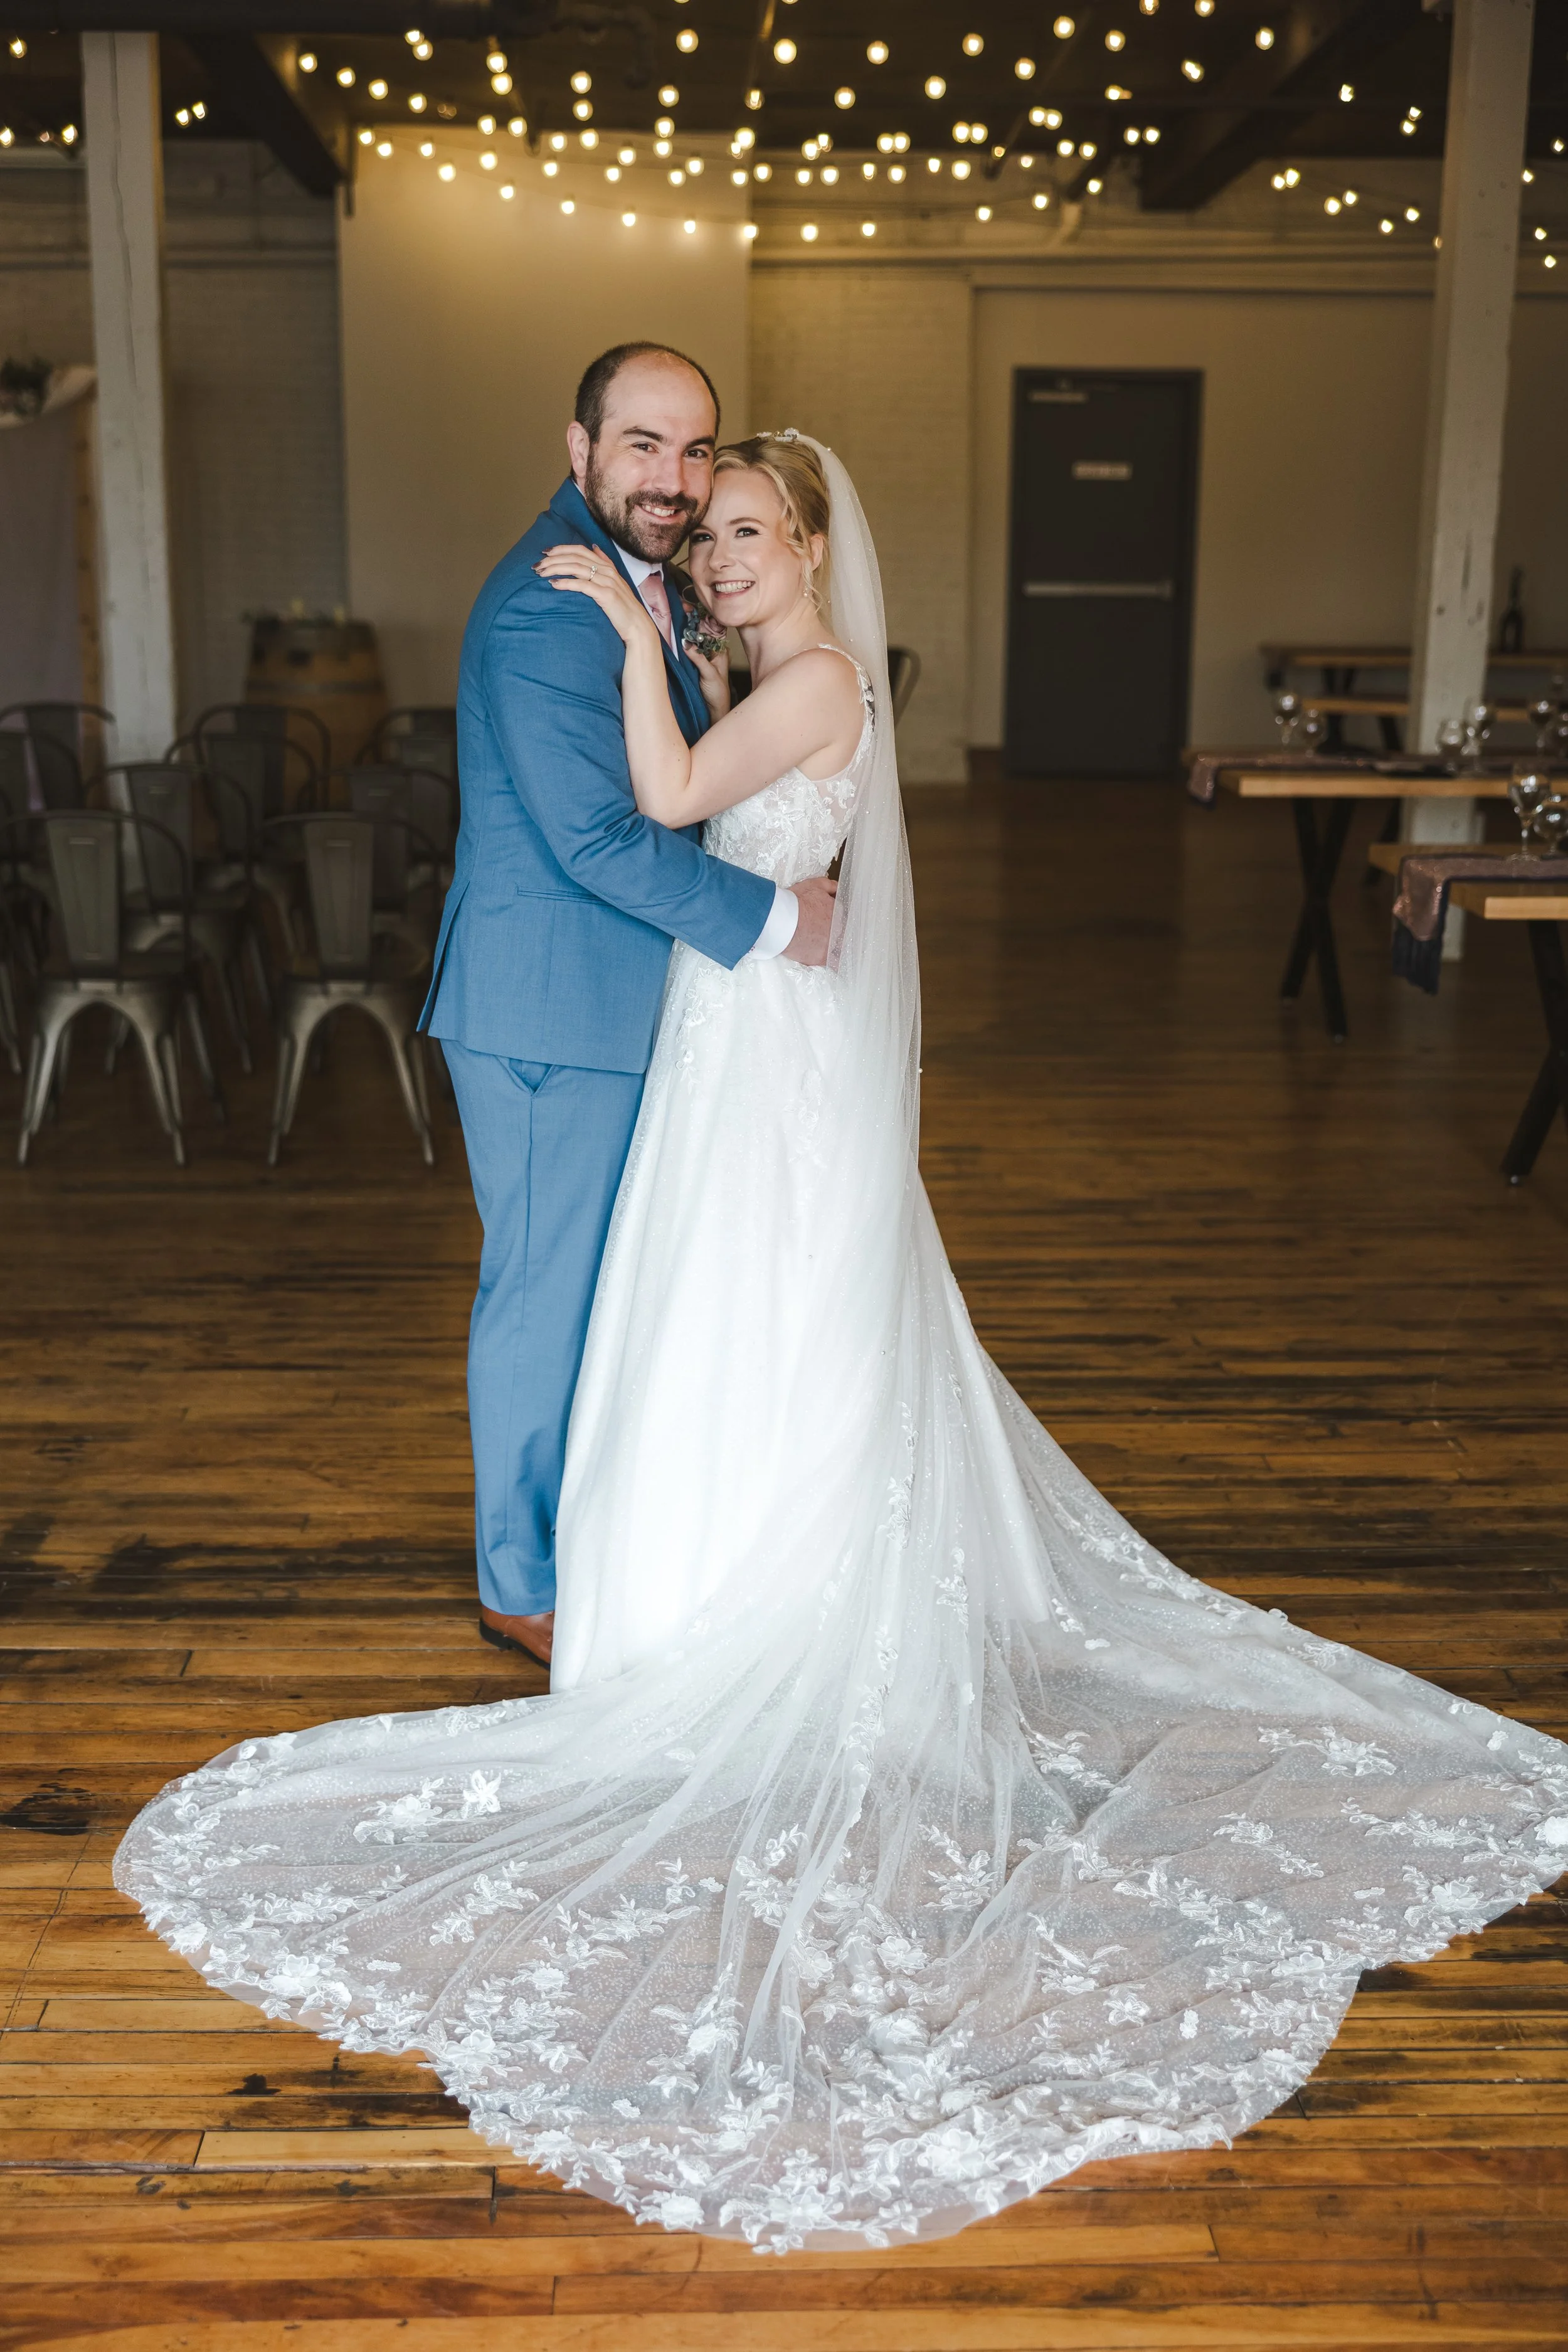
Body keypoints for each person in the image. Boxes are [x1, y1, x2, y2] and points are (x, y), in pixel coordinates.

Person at [117, 432, 1568, 2256]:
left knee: (753, 1308)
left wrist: (628, 633)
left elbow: (661, 797)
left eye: (744, 529)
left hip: (761, 1062)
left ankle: (737, 1601)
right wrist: (668, 647)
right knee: (729, 1311)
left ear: (807, 543)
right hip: (742, 1044)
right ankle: (691, 1581)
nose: (715, 554)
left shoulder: (800, 684)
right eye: (703, 534)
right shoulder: (783, 674)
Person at [418, 343, 840, 1671]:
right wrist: (781, 921)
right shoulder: (550, 606)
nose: (673, 478)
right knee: (543, 1295)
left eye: (694, 449)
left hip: (615, 1004)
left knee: (603, 1289)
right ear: (580, 448)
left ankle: (591, 1539)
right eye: (642, 444)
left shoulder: (646, 588)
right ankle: (519, 1580)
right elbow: (600, 839)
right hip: (551, 1010)